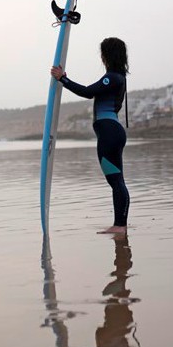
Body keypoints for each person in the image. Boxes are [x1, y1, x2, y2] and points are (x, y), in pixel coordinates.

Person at [50, 37, 130, 234]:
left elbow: (87, 92)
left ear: (107, 55)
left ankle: (120, 226)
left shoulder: (111, 78)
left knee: (116, 181)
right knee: (117, 180)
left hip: (109, 134)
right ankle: (120, 224)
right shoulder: (118, 77)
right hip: (113, 132)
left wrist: (63, 79)